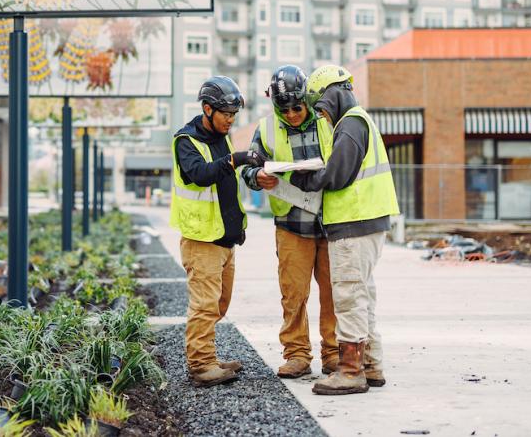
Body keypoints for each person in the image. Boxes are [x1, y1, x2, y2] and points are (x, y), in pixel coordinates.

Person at [261, 64, 399, 396]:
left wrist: (301, 179)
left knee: (348, 297)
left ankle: (351, 371)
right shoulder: (356, 121)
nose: (317, 112)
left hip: (354, 223)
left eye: (319, 103)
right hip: (364, 221)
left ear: (333, 94)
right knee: (363, 294)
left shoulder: (350, 124)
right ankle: (371, 365)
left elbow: (336, 175)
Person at [242, 65, 339, 379]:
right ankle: (297, 355)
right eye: (285, 109)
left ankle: (334, 354)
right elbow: (249, 165)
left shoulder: (328, 121)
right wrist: (257, 176)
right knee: (294, 295)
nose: (293, 114)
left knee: (333, 293)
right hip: (292, 225)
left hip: (331, 222)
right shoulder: (267, 129)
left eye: (298, 107)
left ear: (306, 101)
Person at [170, 75, 256, 387]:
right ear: (207, 109)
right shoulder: (186, 141)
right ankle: (201, 365)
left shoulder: (222, 136)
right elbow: (200, 175)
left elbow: (227, 187)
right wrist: (234, 159)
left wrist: (238, 227)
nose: (231, 121)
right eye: (226, 115)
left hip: (223, 238)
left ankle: (208, 354)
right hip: (201, 240)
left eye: (234, 115)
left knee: (219, 304)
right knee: (204, 305)